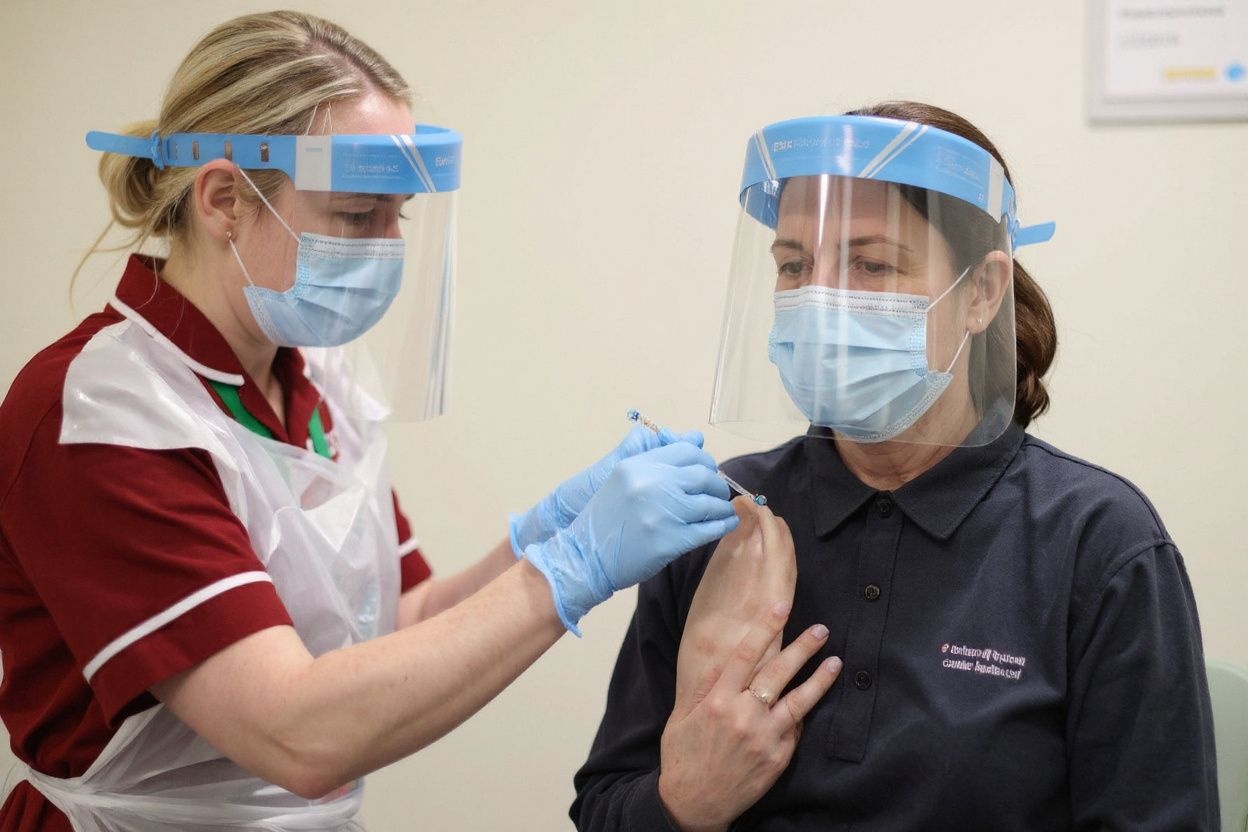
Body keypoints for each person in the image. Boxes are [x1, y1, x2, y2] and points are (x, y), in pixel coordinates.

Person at [0, 11, 742, 831]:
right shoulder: (103, 412)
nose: (386, 248)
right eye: (357, 217)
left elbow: (400, 623)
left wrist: (536, 539)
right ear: (223, 199)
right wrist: (565, 572)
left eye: (399, 218)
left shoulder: (315, 382)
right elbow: (295, 732)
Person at [571, 101, 1220, 831]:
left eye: (871, 263)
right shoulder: (725, 518)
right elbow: (602, 805)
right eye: (794, 266)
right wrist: (683, 803)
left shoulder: (1097, 543)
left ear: (981, 293)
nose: (820, 298)